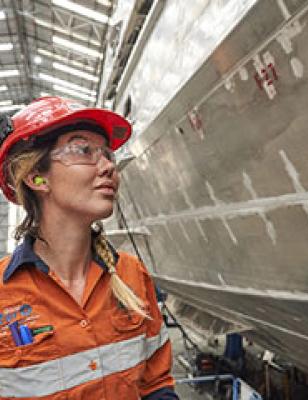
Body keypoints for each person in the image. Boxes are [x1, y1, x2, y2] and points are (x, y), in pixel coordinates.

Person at [0, 96, 179, 399]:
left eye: (107, 154)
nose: (109, 165)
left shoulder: (131, 275)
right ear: (36, 177)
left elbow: (156, 384)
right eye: (83, 150)